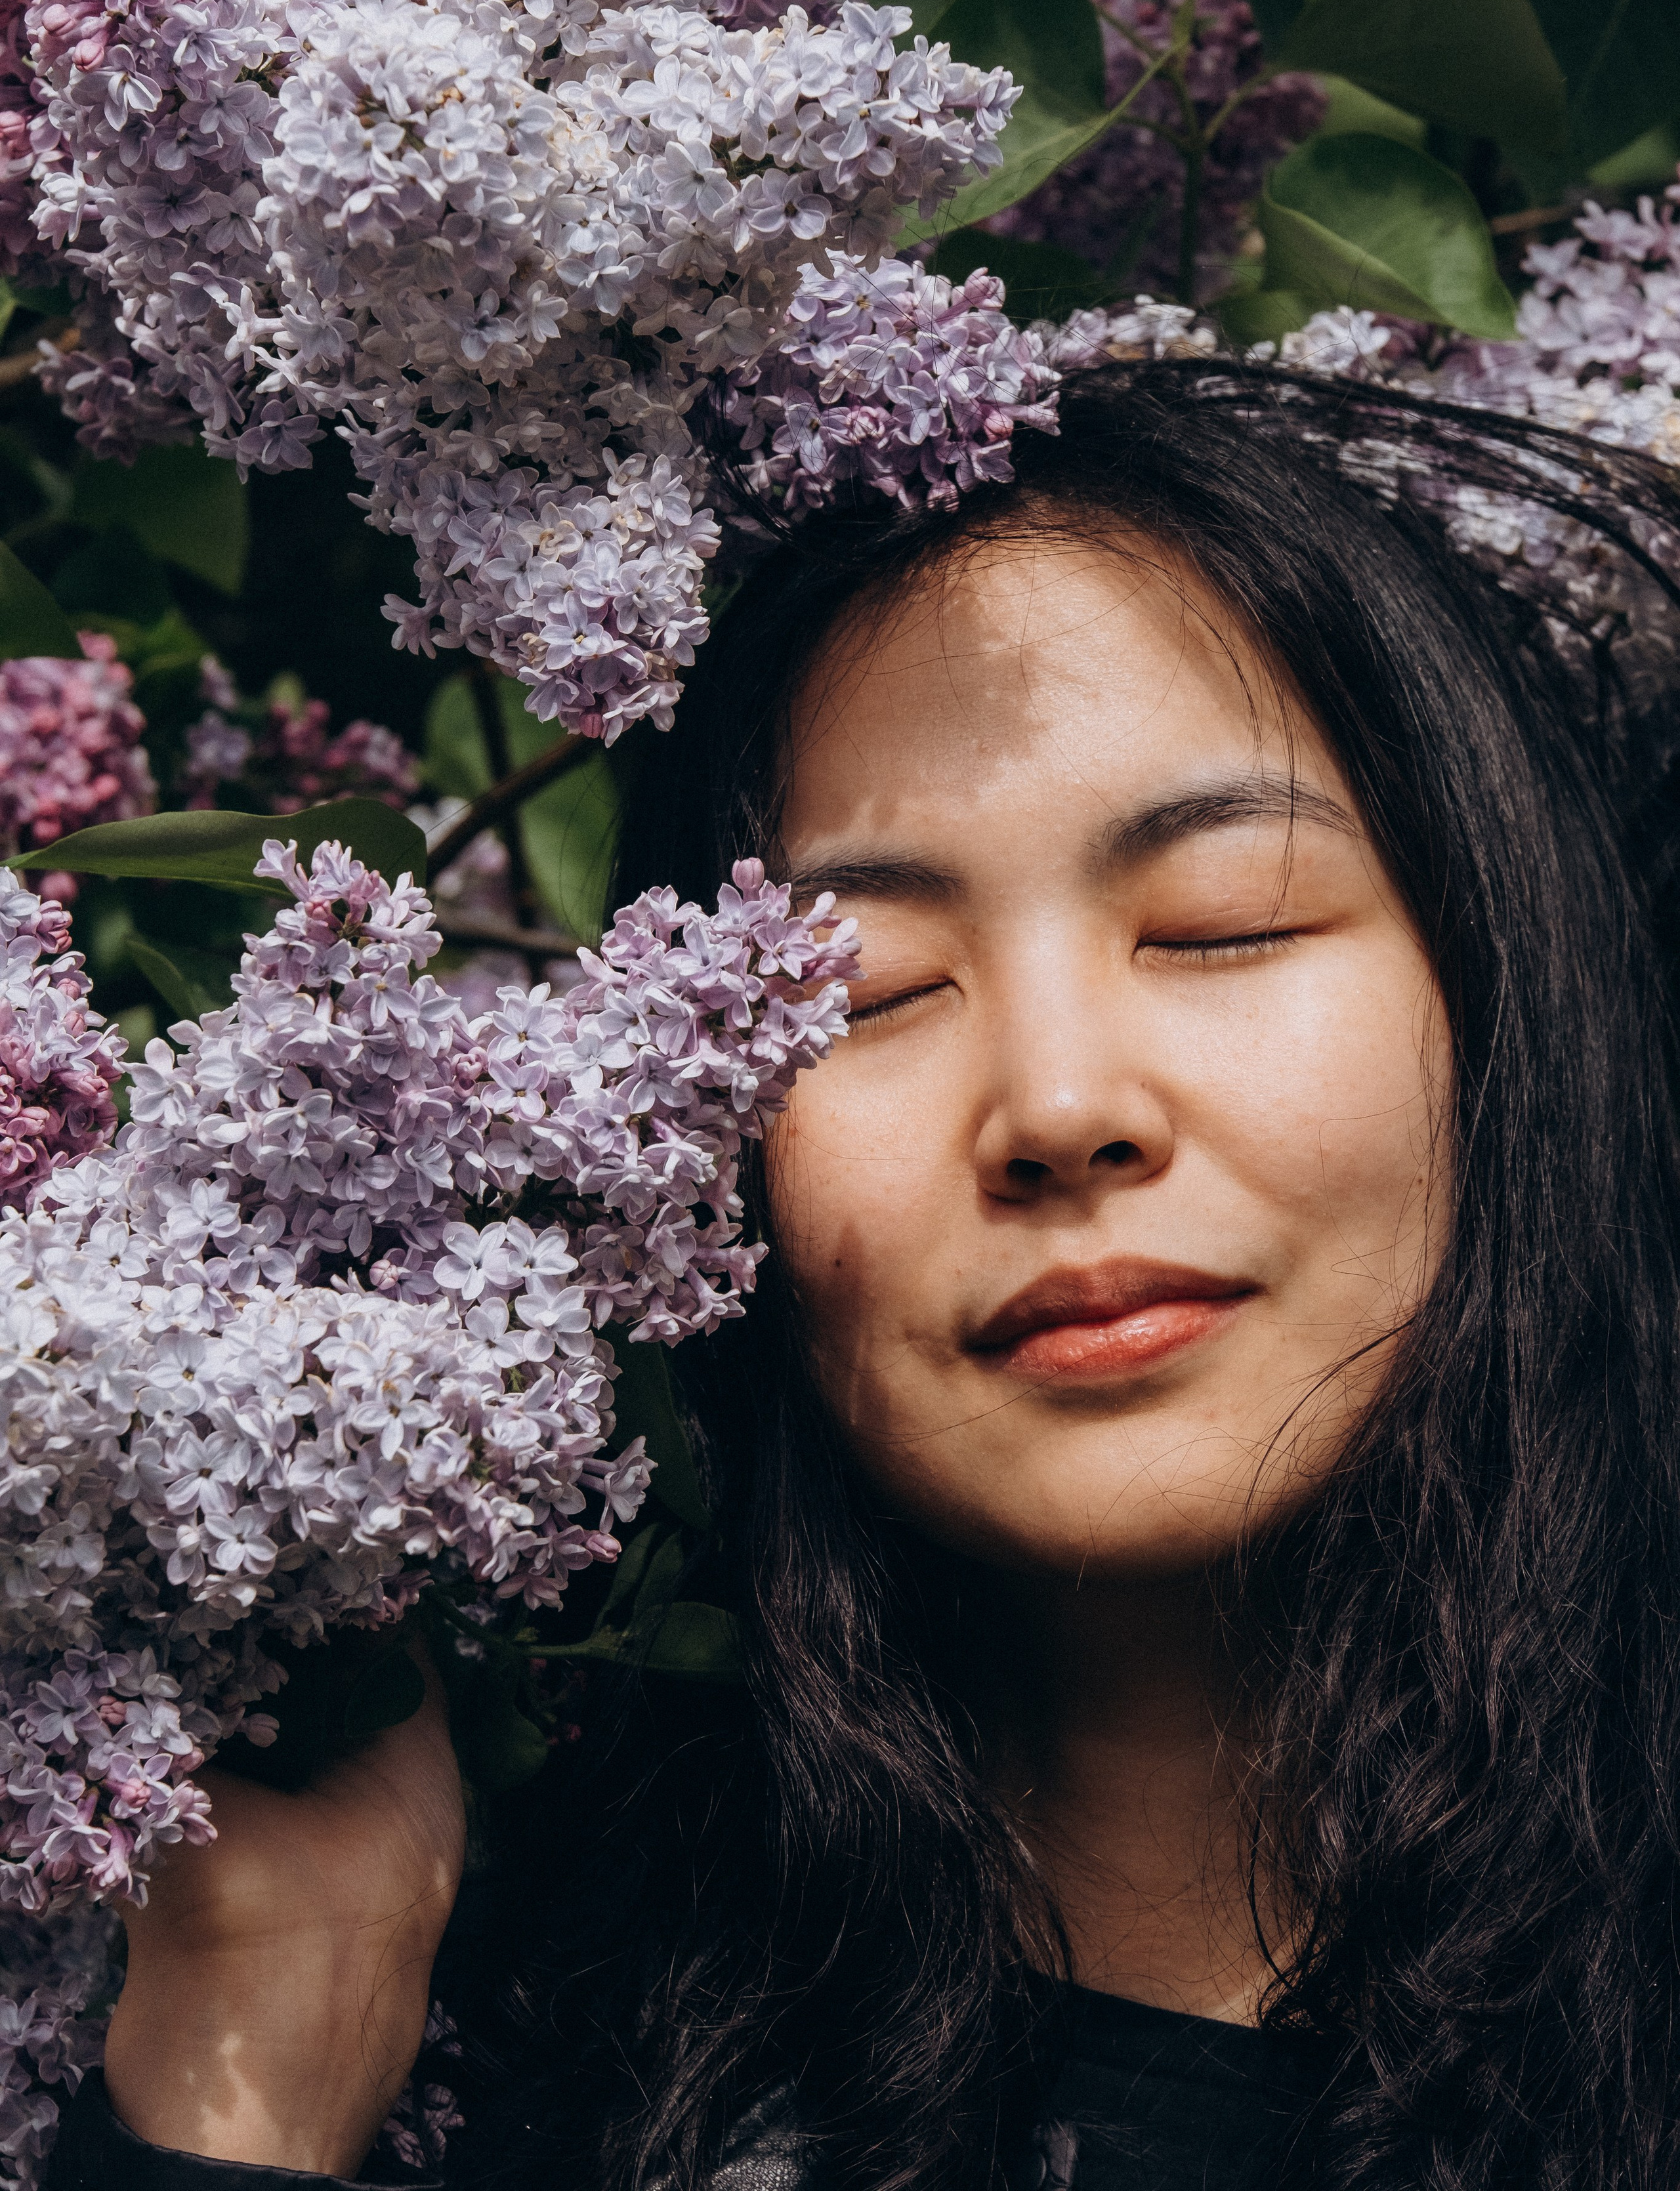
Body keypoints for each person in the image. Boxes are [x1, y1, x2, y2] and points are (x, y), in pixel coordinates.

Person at [46, 362, 1680, 2191]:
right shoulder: (560, 2087)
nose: (1059, 1107)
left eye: (1223, 926)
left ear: (1505, 992)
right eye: (872, 994)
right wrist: (253, 2083)